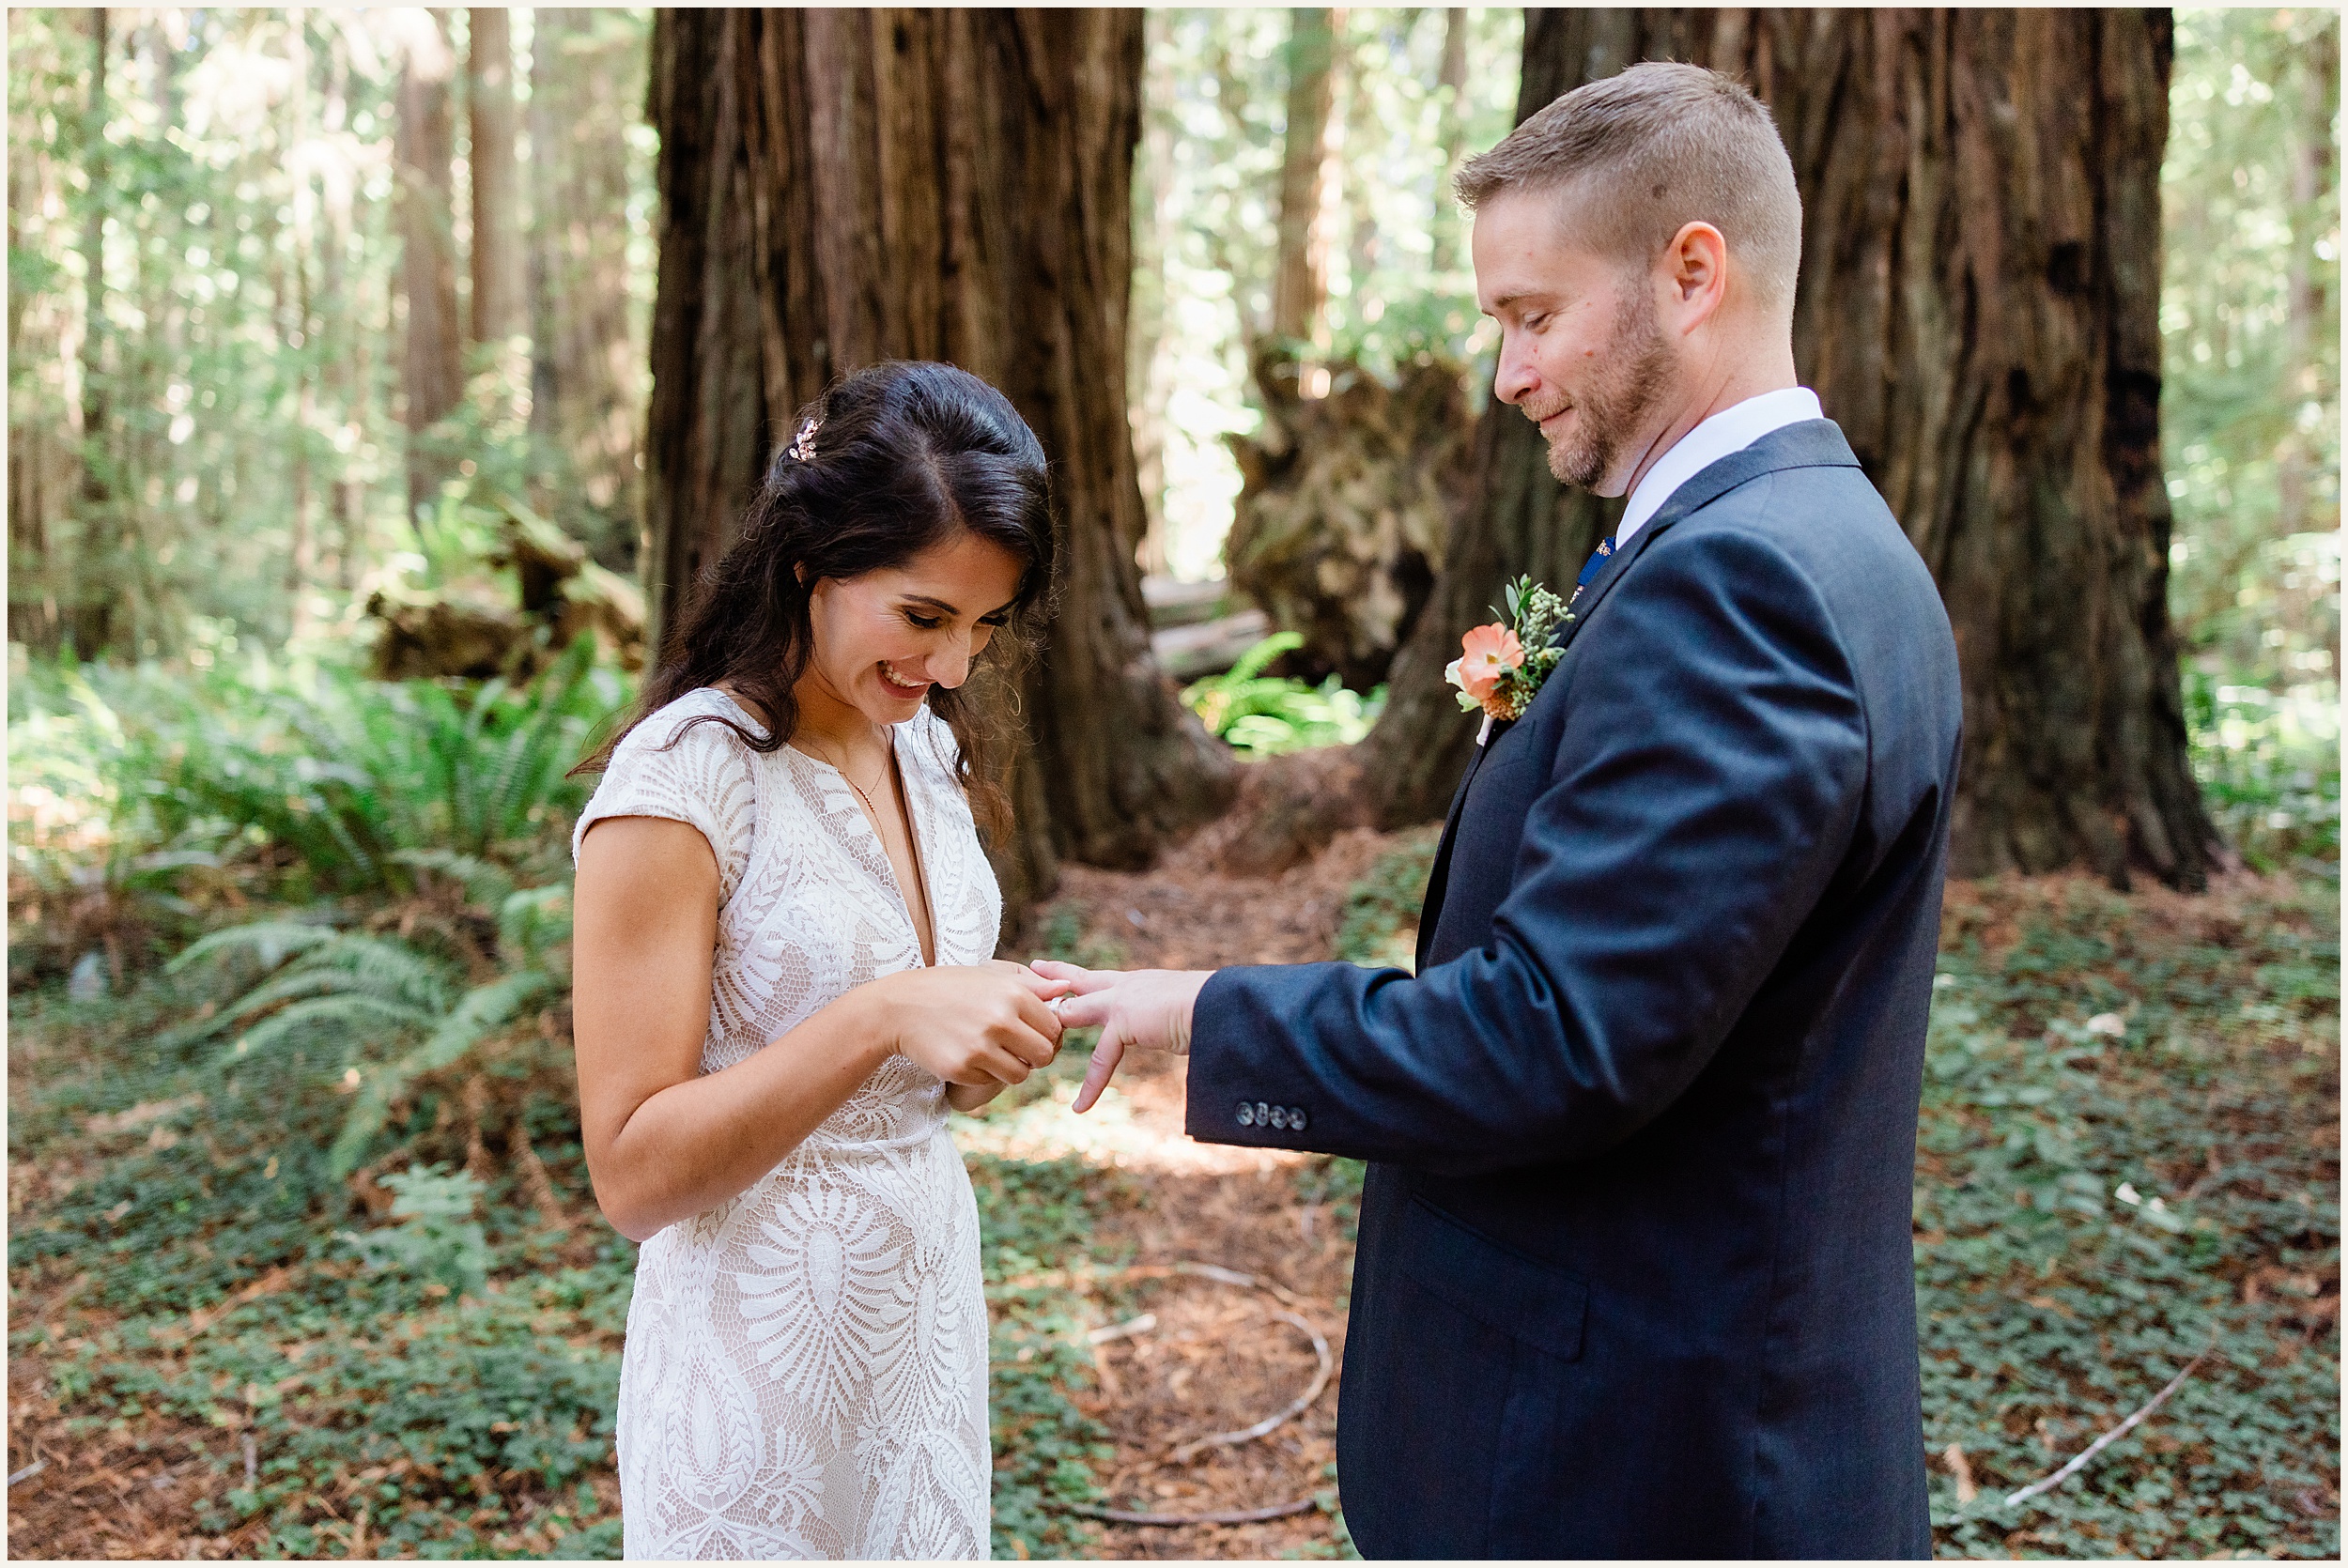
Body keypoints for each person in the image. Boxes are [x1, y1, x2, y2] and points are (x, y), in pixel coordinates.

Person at [1042, 63, 1964, 1558]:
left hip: (1641, 1472)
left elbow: (1557, 1037)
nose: (1507, 375)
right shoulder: (1825, 538)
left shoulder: (1743, 589)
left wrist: (1211, 1011)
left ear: (1691, 274)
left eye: (1534, 316)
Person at [569, 361, 1073, 1560]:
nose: (953, 667)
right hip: (753, 1366)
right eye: (923, 616)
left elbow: (911, 1064)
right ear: (809, 563)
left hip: (921, 1333)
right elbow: (632, 1176)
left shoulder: (927, 754)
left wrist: (973, 1051)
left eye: (983, 626)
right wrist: (883, 1014)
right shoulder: (685, 781)